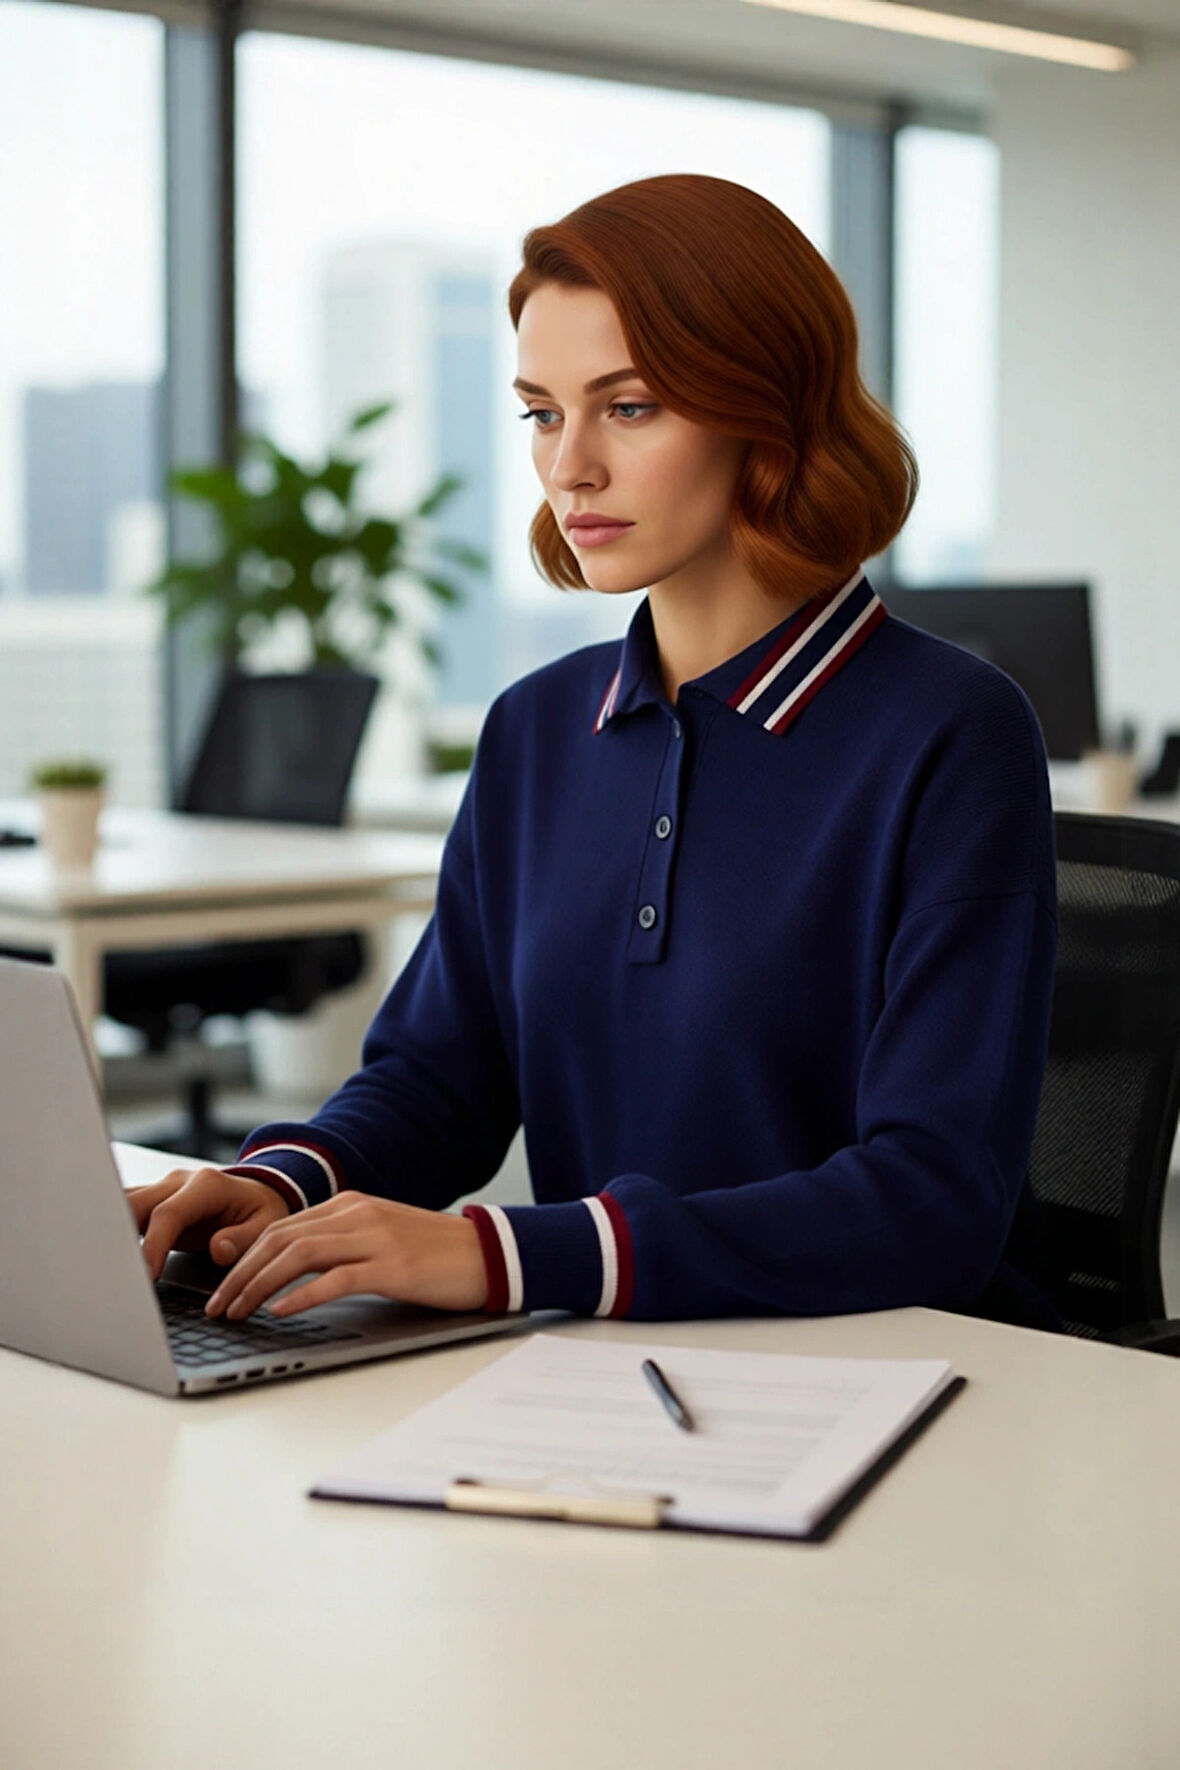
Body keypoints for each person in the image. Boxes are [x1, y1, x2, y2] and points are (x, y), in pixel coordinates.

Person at [130, 172, 1061, 1332]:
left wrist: (501, 1256)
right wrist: (281, 1183)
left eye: (628, 407)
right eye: (540, 412)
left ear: (767, 408)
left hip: (898, 1377)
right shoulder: (533, 728)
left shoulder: (951, 732)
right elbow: (441, 1077)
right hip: (605, 1374)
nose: (569, 465)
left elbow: (931, 1201)